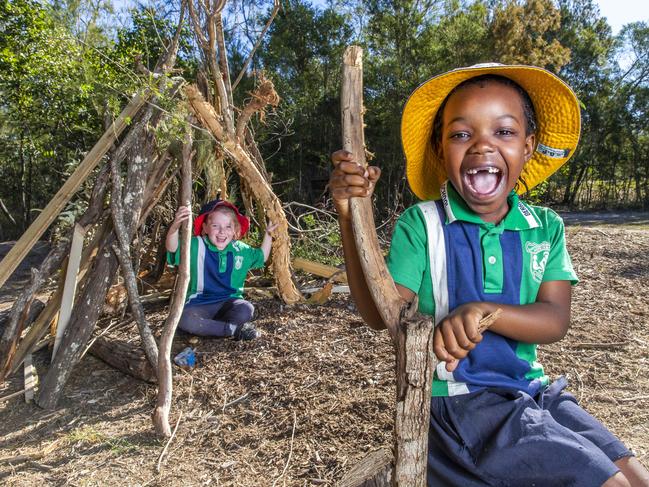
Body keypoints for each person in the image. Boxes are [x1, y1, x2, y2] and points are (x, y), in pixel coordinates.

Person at [330, 63, 649, 486]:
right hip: (462, 406)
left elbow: (554, 320)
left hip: (532, 392)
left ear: (528, 146)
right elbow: (380, 313)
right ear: (441, 150)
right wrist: (351, 218)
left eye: (503, 132)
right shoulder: (421, 225)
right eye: (462, 134)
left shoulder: (545, 227)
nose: (482, 146)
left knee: (634, 476)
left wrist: (484, 311)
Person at [165, 199, 277, 341]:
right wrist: (174, 227)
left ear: (235, 230)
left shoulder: (240, 249)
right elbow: (172, 248)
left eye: (228, 227)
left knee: (246, 309)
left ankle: (214, 327)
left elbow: (262, 257)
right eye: (215, 226)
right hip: (200, 303)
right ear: (205, 227)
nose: (222, 232)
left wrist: (268, 235)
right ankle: (232, 329)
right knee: (186, 320)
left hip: (229, 302)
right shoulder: (195, 245)